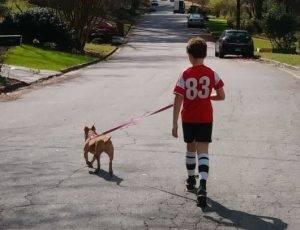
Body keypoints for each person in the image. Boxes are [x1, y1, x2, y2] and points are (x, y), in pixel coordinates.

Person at [172, 37, 225, 207]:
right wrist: (208, 96)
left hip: (188, 118)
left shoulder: (185, 74)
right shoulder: (212, 73)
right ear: (204, 54)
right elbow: (222, 95)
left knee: (190, 148)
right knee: (203, 151)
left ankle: (190, 180)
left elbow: (178, 99)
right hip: (205, 117)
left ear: (191, 56)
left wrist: (174, 123)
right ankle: (203, 184)